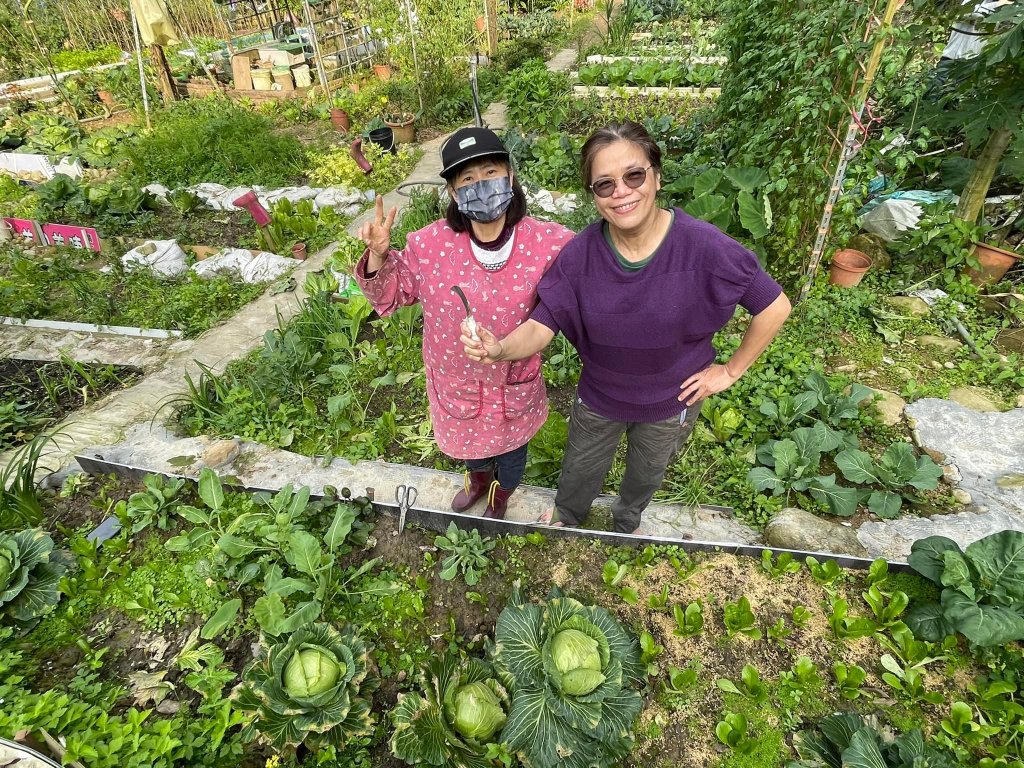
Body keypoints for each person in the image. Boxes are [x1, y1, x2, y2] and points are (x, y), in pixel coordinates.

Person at [462, 121, 791, 534]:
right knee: (581, 465)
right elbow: (543, 325)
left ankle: (627, 519)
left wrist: (730, 371)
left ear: (657, 176)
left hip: (672, 402)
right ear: (594, 195)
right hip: (600, 398)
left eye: (634, 175)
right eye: (605, 184)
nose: (621, 191)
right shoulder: (580, 255)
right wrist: (499, 349)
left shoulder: (704, 246)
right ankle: (568, 512)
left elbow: (774, 306)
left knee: (647, 472)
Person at [354, 127, 574, 519]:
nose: (481, 185)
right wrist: (379, 257)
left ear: (510, 176)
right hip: (458, 381)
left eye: (490, 172)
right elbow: (393, 293)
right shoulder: (429, 245)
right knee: (472, 447)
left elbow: (587, 278)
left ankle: (500, 495)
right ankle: (477, 483)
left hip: (512, 379)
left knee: (512, 453)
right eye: (467, 179)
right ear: (454, 193)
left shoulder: (547, 243)